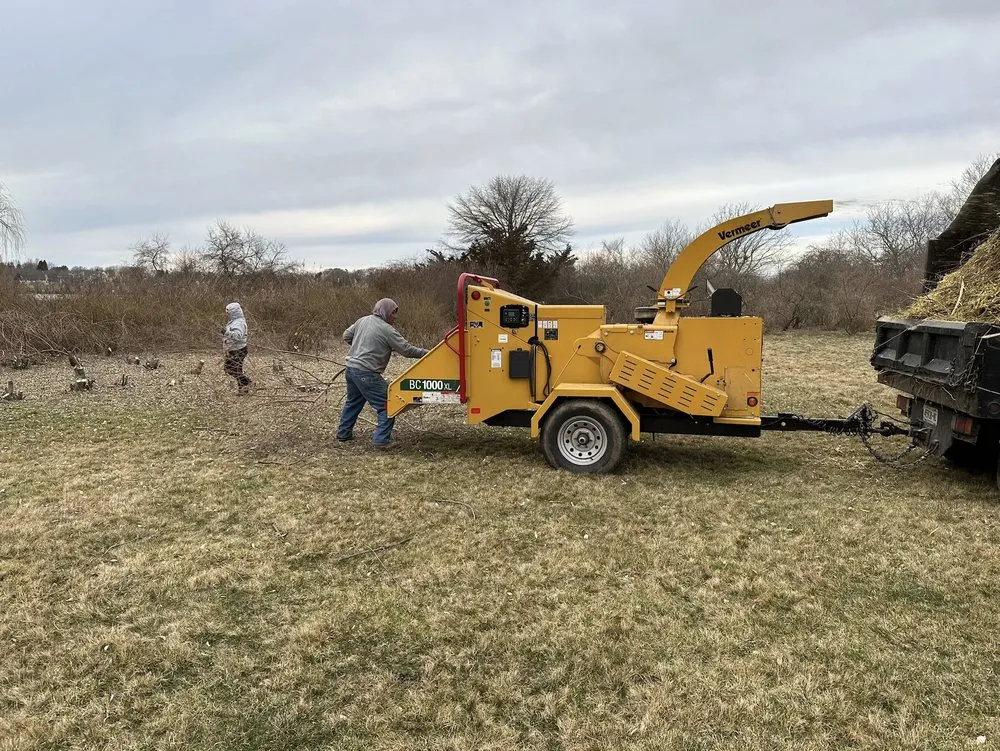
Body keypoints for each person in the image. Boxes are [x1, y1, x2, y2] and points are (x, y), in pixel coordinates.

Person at [337, 298, 429, 447]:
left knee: (353, 402)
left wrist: (360, 346)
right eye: (393, 313)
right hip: (367, 373)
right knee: (388, 403)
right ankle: (381, 441)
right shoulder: (387, 330)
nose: (395, 317)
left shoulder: (362, 320)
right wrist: (430, 354)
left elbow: (346, 335)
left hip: (351, 369)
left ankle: (343, 434)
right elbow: (406, 350)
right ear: (385, 311)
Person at [221, 302, 252, 393]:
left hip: (238, 350)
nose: (227, 314)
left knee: (233, 369)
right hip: (233, 349)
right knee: (232, 369)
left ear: (233, 312)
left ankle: (247, 384)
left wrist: (226, 333)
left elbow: (238, 336)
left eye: (228, 312)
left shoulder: (239, 323)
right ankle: (243, 388)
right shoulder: (233, 321)